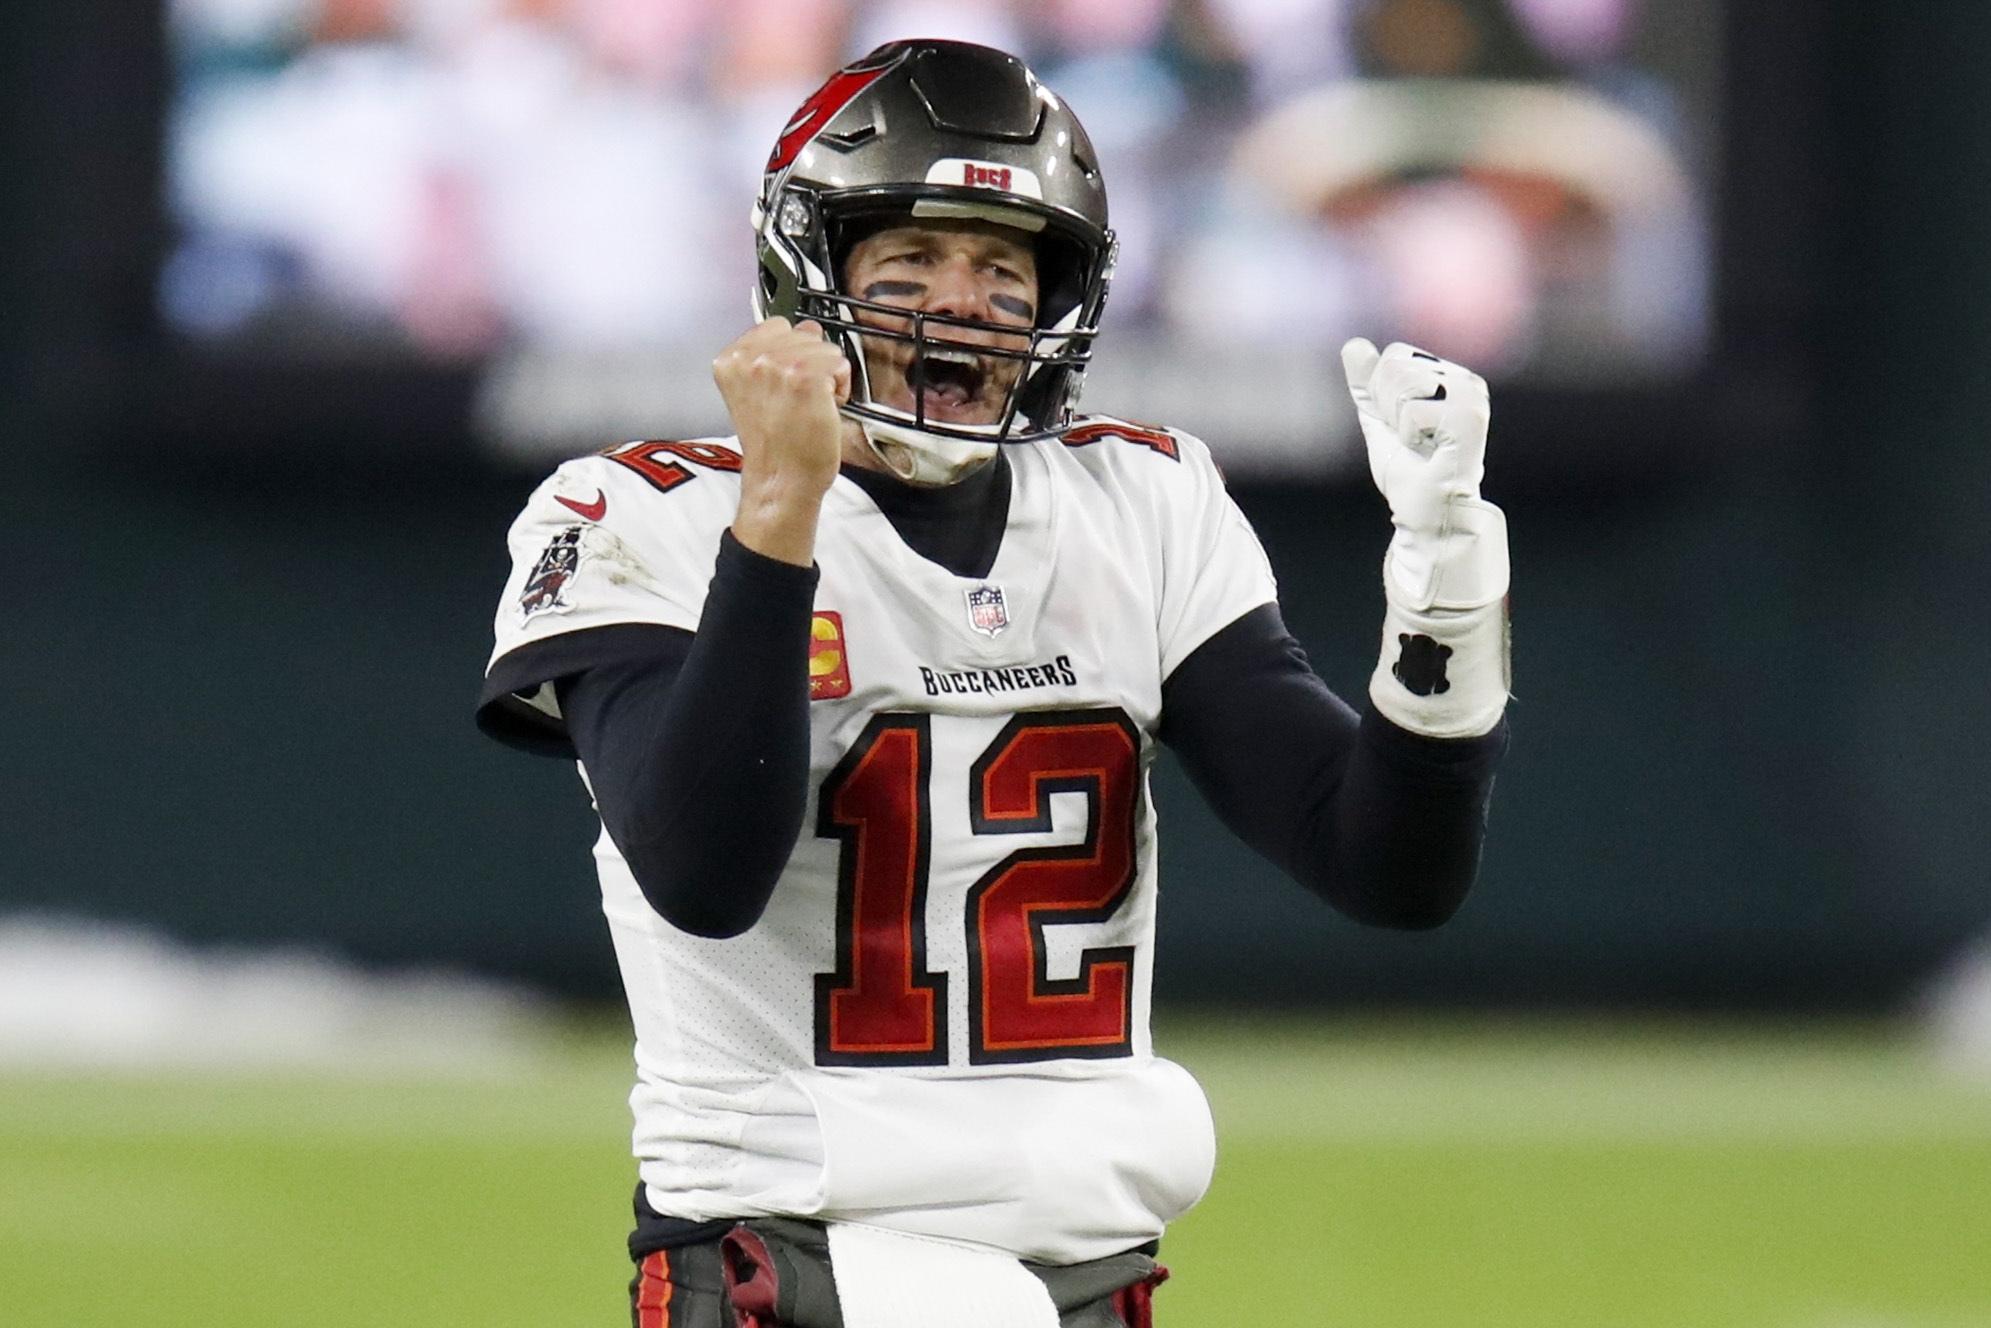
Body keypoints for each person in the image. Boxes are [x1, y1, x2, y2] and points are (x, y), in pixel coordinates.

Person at [477, 38, 1510, 1328]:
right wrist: (781, 511)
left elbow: (1387, 869)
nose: (960, 302)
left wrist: (1446, 607)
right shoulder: (643, 509)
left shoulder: (1141, 498)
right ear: (812, 274)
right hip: (802, 1245)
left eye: (1003, 267)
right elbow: (701, 872)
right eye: (908, 261)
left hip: (1090, 1255)